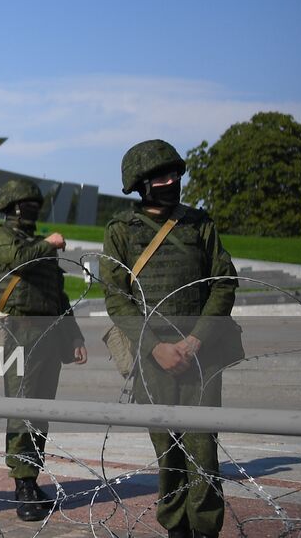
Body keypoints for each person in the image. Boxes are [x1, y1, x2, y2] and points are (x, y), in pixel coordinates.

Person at [103, 140, 238, 538]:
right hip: (153, 356)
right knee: (168, 451)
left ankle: (205, 527)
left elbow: (224, 283)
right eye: (162, 176)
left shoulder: (199, 225)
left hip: (202, 354)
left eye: (175, 173)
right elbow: (117, 298)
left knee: (204, 451)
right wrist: (155, 348)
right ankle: (176, 525)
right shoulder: (120, 233)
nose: (172, 181)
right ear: (142, 184)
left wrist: (195, 341)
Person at [0, 178, 87, 521]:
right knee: (22, 407)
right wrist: (48, 243)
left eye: (33, 204)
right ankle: (22, 484)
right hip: (19, 335)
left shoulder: (37, 243)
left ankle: (32, 475)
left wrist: (74, 335)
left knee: (40, 411)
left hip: (49, 334)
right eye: (25, 204)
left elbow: (58, 294)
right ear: (11, 207)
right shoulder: (0, 236)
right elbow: (18, 261)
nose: (30, 210)